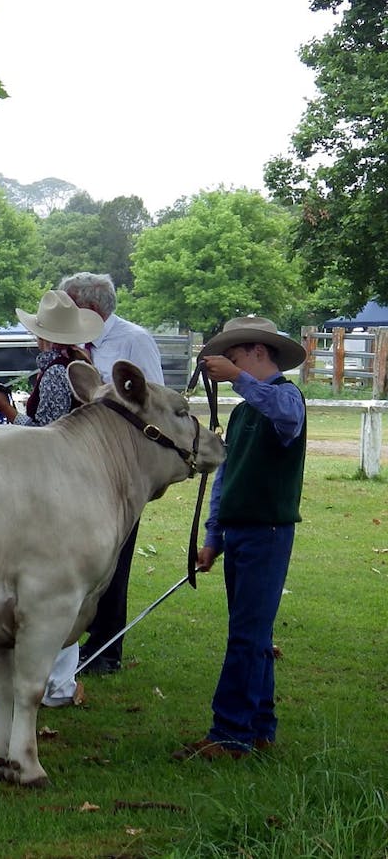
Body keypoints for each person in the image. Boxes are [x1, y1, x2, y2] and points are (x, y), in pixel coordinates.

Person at [172, 316, 307, 761]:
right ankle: (259, 726)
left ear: (257, 352)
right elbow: (226, 479)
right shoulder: (246, 409)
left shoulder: (285, 397)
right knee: (253, 633)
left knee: (247, 636)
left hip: (268, 532)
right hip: (242, 532)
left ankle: (231, 733)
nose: (227, 368)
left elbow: (285, 413)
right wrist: (213, 537)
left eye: (234, 358)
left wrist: (240, 380)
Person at [0, 290, 104, 708]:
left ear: (43, 337)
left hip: (54, 482)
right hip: (76, 478)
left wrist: (5, 409)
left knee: (54, 579)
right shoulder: (81, 366)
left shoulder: (56, 372)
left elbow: (46, 431)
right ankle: (59, 681)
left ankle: (56, 683)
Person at [59, 273, 165, 675]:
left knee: (114, 559)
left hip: (119, 469)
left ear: (90, 309)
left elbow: (153, 403)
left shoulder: (134, 341)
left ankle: (106, 649)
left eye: (70, 307)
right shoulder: (69, 343)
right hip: (75, 466)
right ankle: (76, 642)